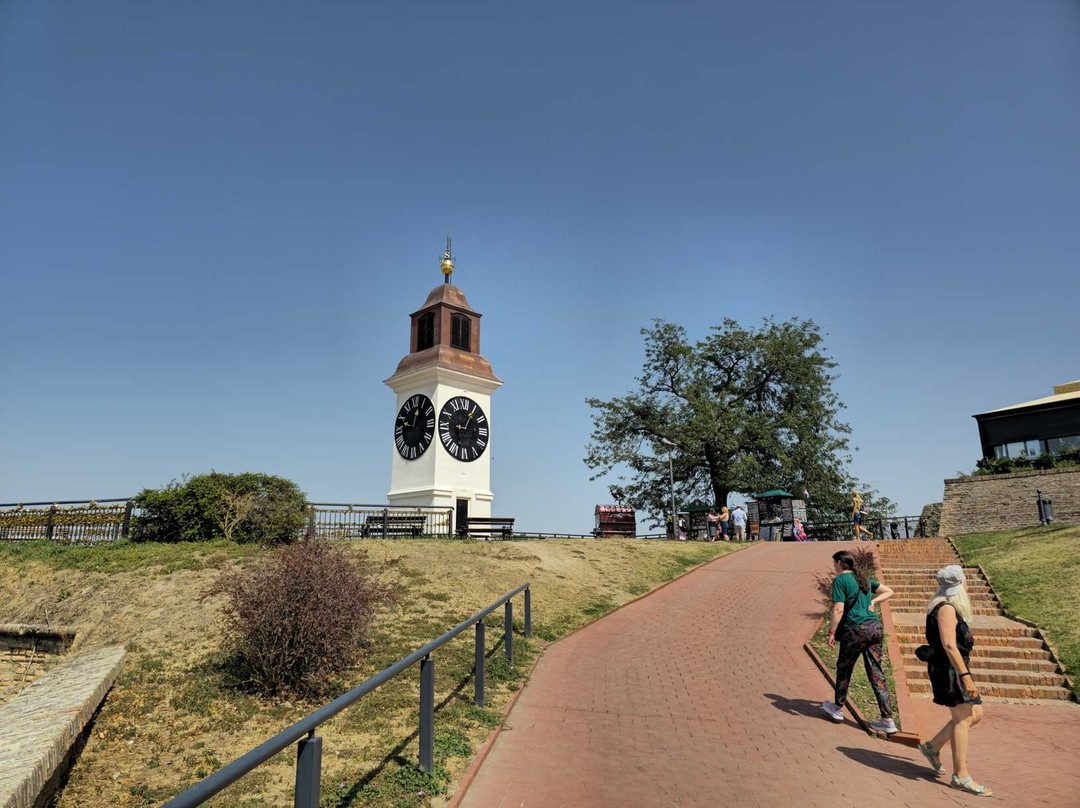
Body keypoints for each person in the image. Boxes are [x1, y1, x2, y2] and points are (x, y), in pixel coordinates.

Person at [916, 566, 992, 797]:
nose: (968, 586)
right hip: (949, 669)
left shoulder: (946, 606)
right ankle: (961, 776)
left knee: (974, 714)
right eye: (965, 582)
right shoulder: (946, 608)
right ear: (959, 587)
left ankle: (933, 747)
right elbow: (949, 645)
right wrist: (965, 677)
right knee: (964, 717)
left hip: (953, 667)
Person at [821, 550, 897, 734]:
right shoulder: (863, 579)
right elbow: (889, 591)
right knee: (876, 672)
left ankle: (838, 708)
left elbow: (839, 608)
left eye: (835, 563)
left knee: (845, 667)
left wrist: (831, 632)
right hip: (875, 628)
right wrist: (874, 602)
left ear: (840, 563)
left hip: (855, 630)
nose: (834, 566)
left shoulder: (840, 580)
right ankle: (887, 719)